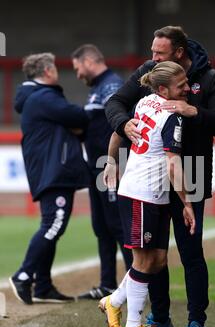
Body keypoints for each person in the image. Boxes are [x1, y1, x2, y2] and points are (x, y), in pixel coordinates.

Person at [105, 26, 215, 327]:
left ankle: (196, 321)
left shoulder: (211, 78)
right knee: (155, 250)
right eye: (152, 52)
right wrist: (124, 123)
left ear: (179, 52)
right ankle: (159, 317)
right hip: (155, 176)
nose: (151, 59)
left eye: (158, 53)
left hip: (191, 170)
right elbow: (115, 104)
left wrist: (194, 111)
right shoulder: (152, 72)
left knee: (191, 251)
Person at [99, 61, 196, 327]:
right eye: (182, 86)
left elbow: (120, 130)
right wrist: (187, 203)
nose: (188, 88)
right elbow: (173, 163)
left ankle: (113, 301)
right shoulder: (172, 115)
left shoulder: (145, 102)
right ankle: (133, 325)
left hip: (148, 194)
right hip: (142, 193)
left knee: (158, 259)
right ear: (165, 89)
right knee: (143, 260)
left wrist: (111, 160)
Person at [9, 53, 91, 304]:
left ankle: (43, 285)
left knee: (54, 225)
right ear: (47, 72)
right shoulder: (44, 97)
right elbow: (80, 117)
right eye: (54, 67)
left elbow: (72, 122)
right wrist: (73, 125)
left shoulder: (36, 98)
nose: (56, 71)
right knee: (53, 224)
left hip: (52, 170)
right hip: (54, 171)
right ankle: (24, 275)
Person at [71, 45, 133, 300]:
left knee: (118, 225)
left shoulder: (111, 85)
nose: (77, 74)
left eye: (77, 68)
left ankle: (135, 283)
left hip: (110, 167)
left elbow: (119, 127)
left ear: (88, 61)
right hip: (96, 168)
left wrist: (116, 162)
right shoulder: (97, 89)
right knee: (102, 226)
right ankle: (107, 284)